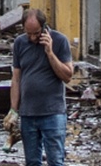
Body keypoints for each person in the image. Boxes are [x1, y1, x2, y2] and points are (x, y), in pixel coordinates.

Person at [8, 9, 73, 166]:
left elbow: (67, 76)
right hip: (28, 113)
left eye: (36, 33)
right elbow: (16, 78)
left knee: (55, 161)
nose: (32, 38)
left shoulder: (60, 41)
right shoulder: (20, 43)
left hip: (53, 112)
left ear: (44, 28)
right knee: (31, 162)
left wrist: (50, 53)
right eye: (28, 33)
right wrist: (13, 110)